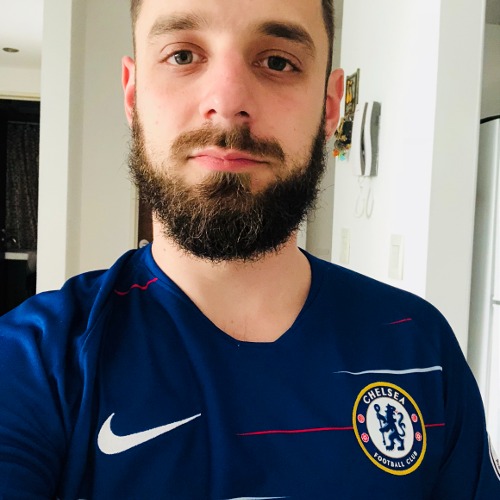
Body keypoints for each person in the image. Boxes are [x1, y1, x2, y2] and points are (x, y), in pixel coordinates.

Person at [1, 0, 499, 497]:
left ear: (330, 107)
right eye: (182, 56)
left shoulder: (420, 345)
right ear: (132, 95)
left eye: (278, 61)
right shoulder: (33, 362)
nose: (227, 100)